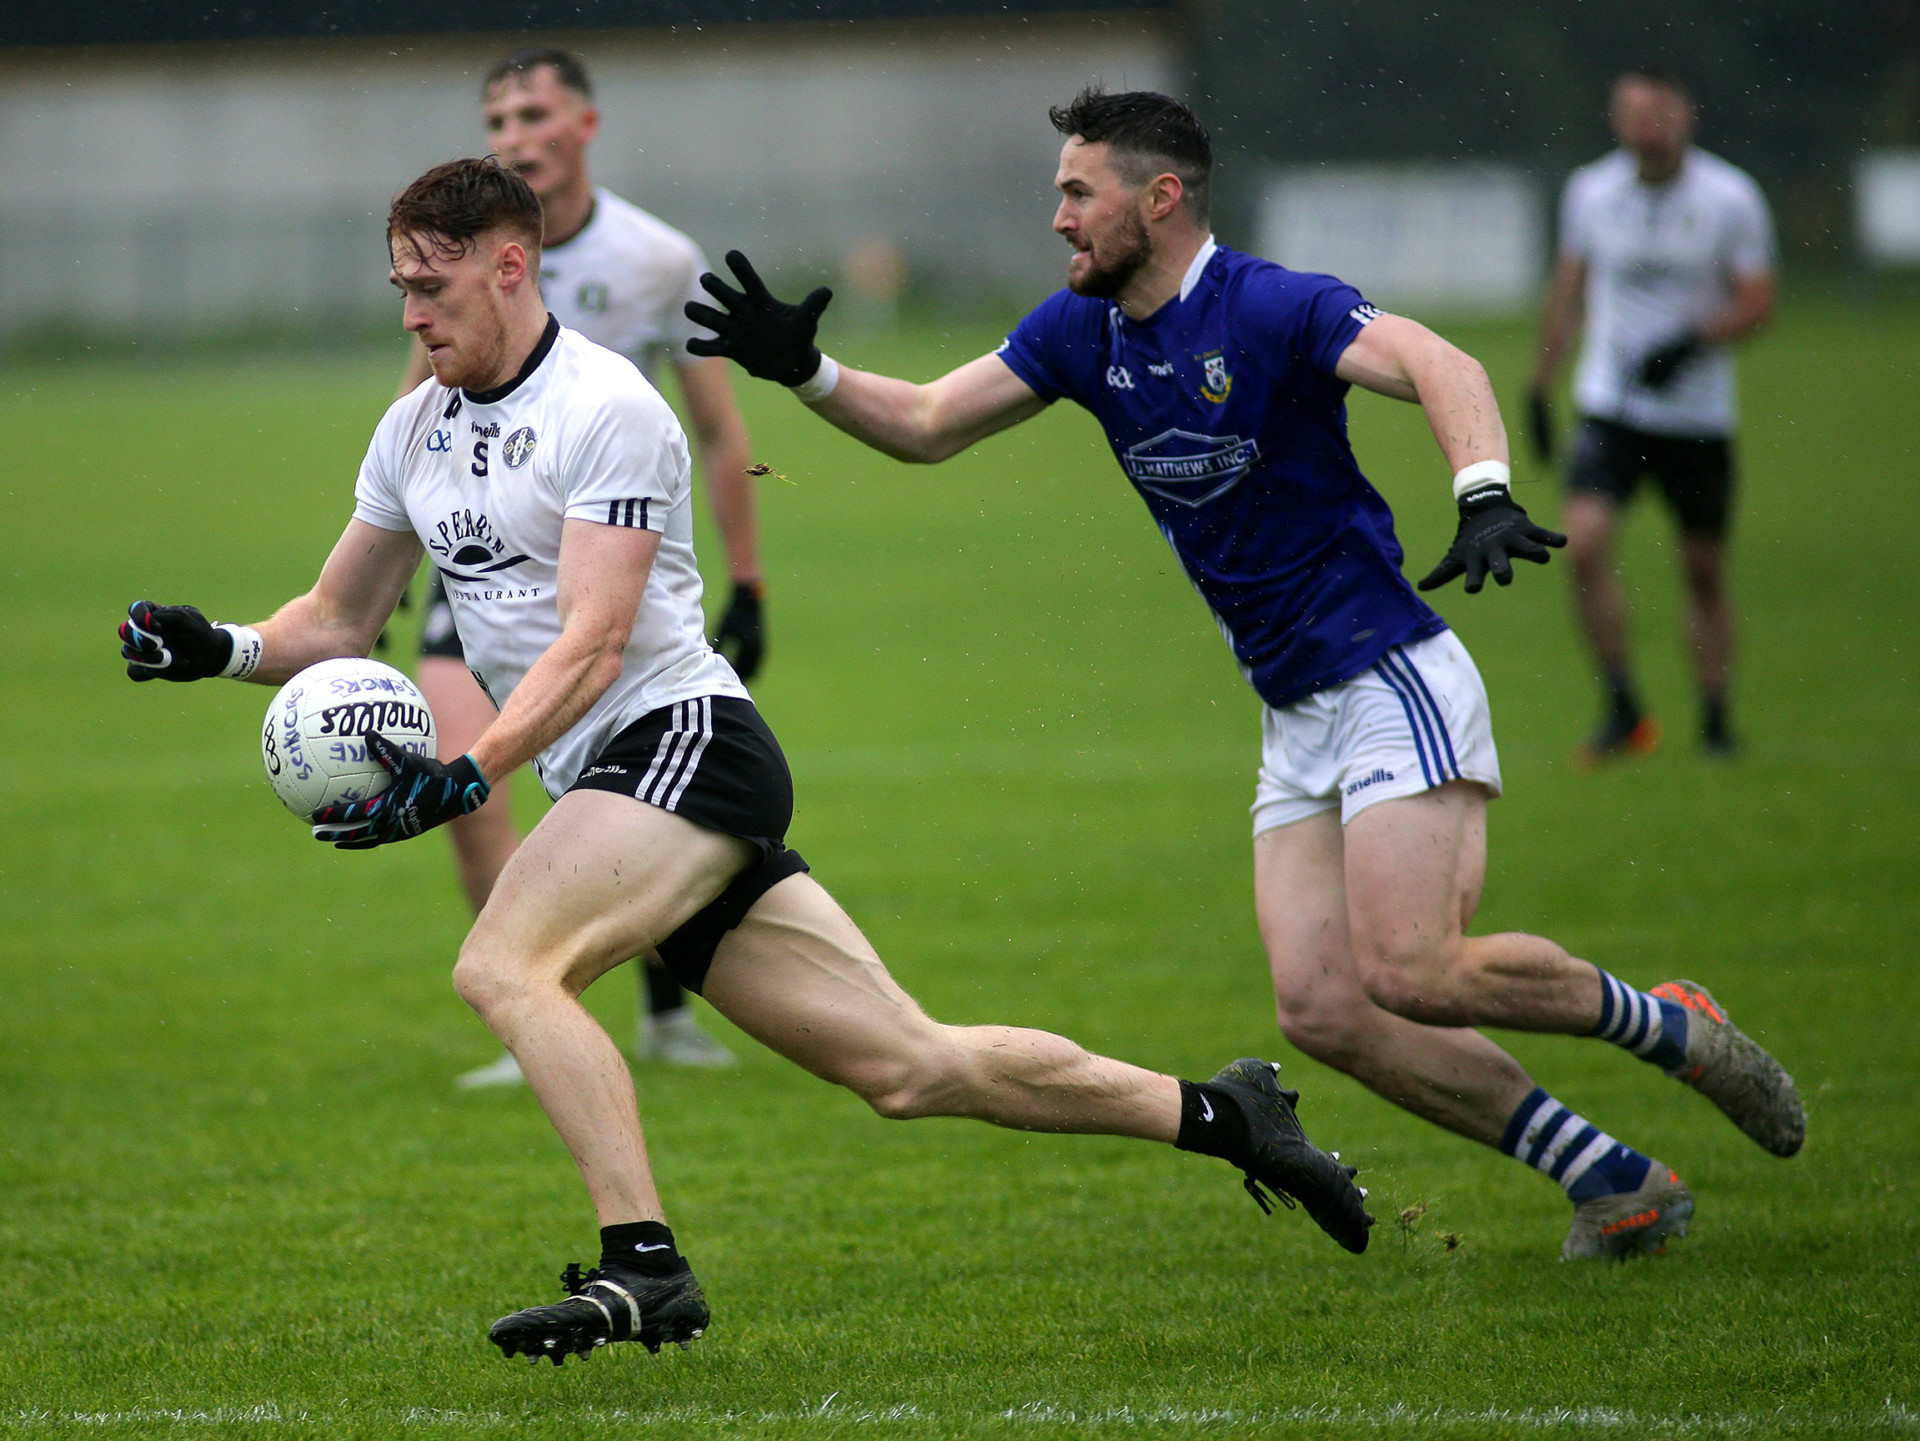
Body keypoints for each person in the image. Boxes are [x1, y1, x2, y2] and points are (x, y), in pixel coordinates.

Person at [118, 156, 1371, 1363]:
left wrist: (472, 769)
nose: (411, 312)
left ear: (509, 266)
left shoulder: (607, 407)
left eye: (430, 285)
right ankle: (1229, 1114)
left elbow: (596, 643)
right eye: (400, 286)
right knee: (908, 1066)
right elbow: (338, 618)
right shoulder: (413, 431)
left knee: (506, 965)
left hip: (683, 743)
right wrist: (218, 646)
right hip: (623, 781)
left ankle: (644, 1262)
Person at [686, 88, 1805, 1263]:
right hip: (1293, 712)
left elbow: (1439, 359)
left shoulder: (1269, 305)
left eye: (1079, 193)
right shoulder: (1082, 332)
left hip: (1387, 673)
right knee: (1322, 1007)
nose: (1059, 218)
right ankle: (1611, 1179)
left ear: (1160, 198)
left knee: (1414, 967)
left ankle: (1666, 1022)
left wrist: (1481, 488)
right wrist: (807, 370)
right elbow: (925, 420)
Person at [397, 48, 762, 1082]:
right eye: (496, 119)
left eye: (533, 114)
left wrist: (748, 579)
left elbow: (718, 430)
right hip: (481, 550)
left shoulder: (655, 258)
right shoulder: (453, 258)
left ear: (584, 125)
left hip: (603, 550)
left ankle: (646, 1004)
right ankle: (531, 1004)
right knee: (467, 779)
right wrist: (385, 564)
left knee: (612, 774)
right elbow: (415, 403)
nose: (513, 134)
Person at [1528, 67, 1777, 763]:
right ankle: (1623, 706)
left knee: (1702, 568)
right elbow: (1569, 291)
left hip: (1697, 416)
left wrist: (1692, 343)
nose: (1648, 126)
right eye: (1634, 113)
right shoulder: (1591, 192)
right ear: (1617, 121)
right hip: (1611, 406)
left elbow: (1760, 301)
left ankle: (1716, 718)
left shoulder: (1730, 197)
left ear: (1685, 116)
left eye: (1659, 112)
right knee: (1582, 544)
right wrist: (1539, 385)